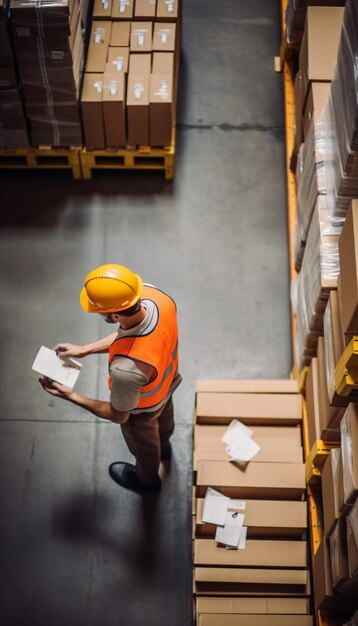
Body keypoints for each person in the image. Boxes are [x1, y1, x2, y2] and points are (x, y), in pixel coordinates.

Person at [39, 263, 181, 492]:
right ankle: (165, 446)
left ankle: (147, 481)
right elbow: (130, 331)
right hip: (168, 383)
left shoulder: (126, 369)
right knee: (163, 422)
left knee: (144, 445)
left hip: (142, 408)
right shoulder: (156, 296)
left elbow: (119, 415)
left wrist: (73, 396)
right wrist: (85, 349)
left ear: (115, 314)